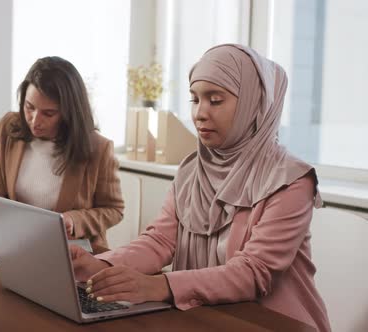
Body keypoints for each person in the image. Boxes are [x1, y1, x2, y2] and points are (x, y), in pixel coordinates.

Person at [71, 44, 330, 331]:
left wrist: (159, 286)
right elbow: (160, 241)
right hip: (203, 317)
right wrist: (101, 267)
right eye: (195, 100)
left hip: (274, 323)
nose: (199, 114)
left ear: (252, 105)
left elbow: (254, 272)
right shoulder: (192, 169)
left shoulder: (292, 179)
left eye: (215, 100)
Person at [0, 56, 124, 248]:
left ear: (69, 112)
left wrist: (74, 220)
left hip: (73, 251)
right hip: (16, 244)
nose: (35, 121)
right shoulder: (7, 129)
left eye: (48, 113)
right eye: (29, 107)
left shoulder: (99, 147)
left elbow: (114, 210)